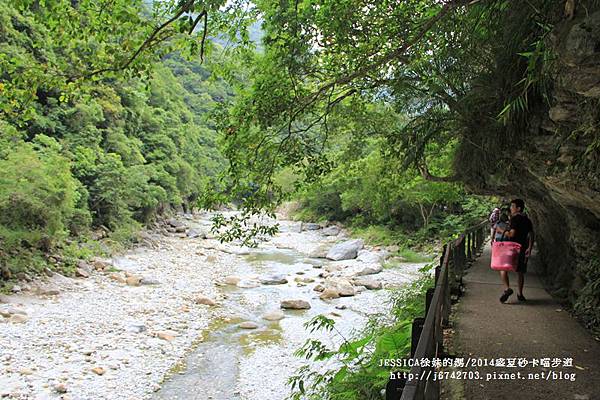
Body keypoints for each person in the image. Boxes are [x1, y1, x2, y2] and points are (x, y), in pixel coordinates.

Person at [497, 199, 534, 303]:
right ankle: (520, 294)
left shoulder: (514, 219)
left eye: (512, 206)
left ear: (518, 208)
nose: (511, 208)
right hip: (523, 247)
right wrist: (529, 248)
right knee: (520, 272)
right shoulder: (527, 220)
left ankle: (507, 288)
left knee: (503, 268)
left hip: (511, 247)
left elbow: (512, 234)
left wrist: (500, 230)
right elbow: (531, 235)